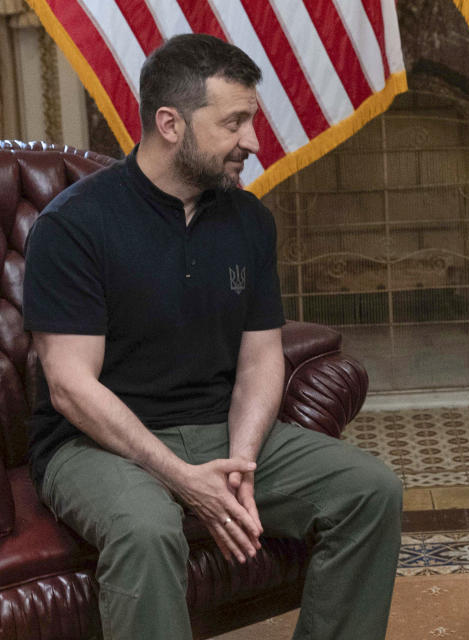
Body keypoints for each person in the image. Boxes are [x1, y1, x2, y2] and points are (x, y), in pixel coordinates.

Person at [23, 34, 401, 640]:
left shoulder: (248, 220)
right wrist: (180, 477)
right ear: (170, 123)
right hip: (95, 445)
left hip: (220, 433)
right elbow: (69, 386)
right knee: (146, 528)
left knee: (369, 490)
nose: (252, 141)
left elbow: (260, 359)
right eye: (235, 123)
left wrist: (243, 461)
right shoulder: (75, 225)